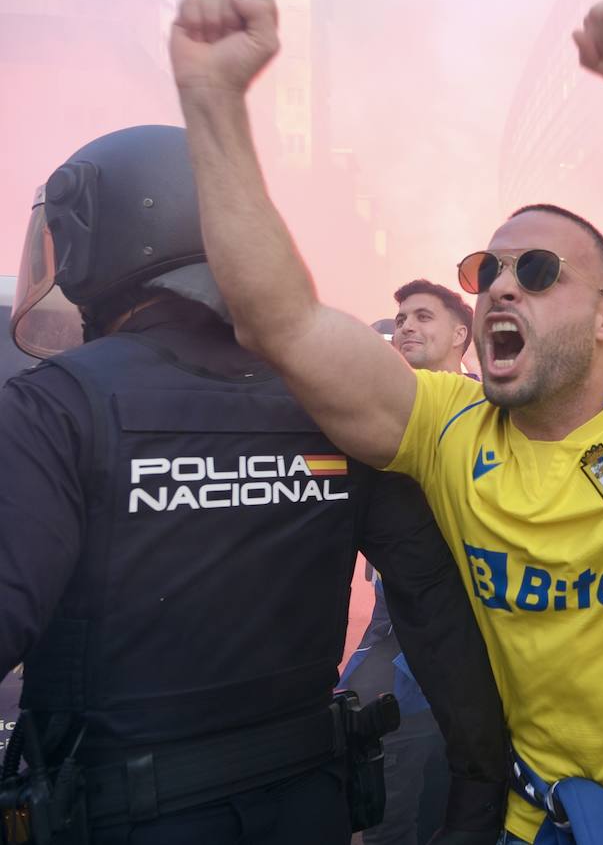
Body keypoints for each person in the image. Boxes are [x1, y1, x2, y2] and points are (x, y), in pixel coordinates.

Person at [170, 0, 603, 844]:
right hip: (530, 816)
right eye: (487, 270)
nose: (501, 284)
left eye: (537, 272)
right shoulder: (444, 427)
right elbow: (280, 321)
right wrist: (211, 100)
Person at [0, 126, 506, 844]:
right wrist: (476, 804)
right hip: (310, 806)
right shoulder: (333, 403)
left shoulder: (59, 405)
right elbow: (438, 613)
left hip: (122, 816)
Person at [341, 280, 480, 845]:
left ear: (460, 335)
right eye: (400, 319)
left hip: (477, 631)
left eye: (423, 316)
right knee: (383, 791)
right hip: (395, 628)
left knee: (462, 792)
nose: (406, 327)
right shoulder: (380, 413)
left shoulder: (495, 413)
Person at [393, 279, 474, 375]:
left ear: (458, 335)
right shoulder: (379, 388)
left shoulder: (483, 390)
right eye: (400, 321)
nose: (405, 327)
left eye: (423, 317)